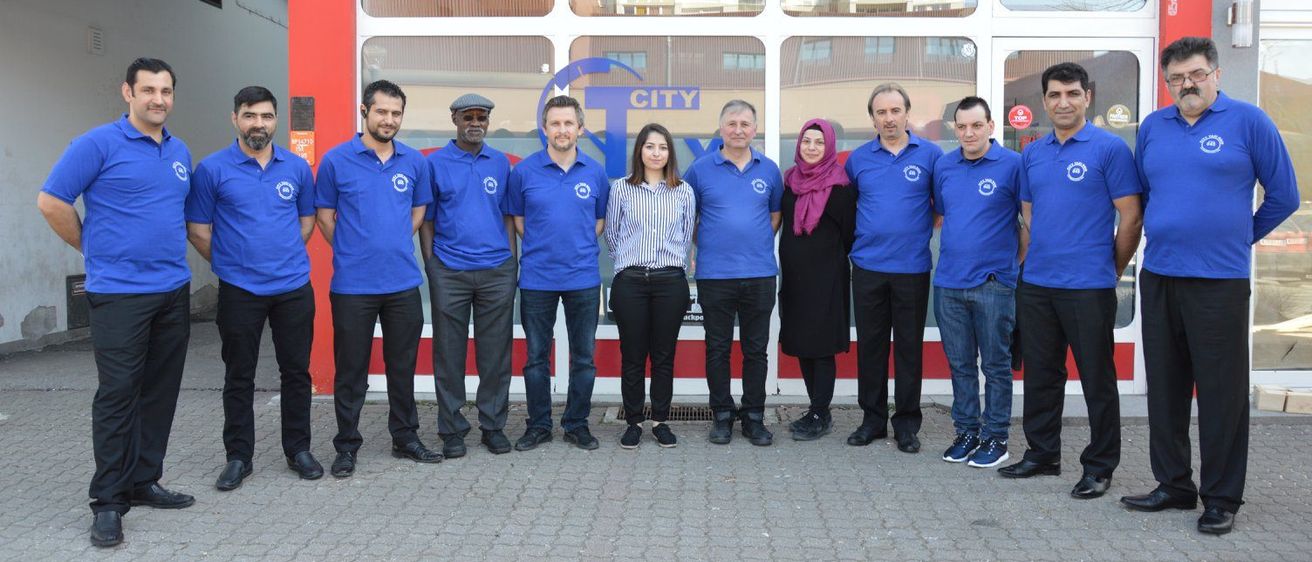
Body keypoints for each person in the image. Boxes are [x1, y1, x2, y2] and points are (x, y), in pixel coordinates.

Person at [1120, 37, 1299, 535]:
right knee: (1166, 388)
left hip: (1219, 281)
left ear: (1216, 74)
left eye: (1195, 74)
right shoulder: (1155, 127)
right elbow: (1149, 195)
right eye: (1175, 78)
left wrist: (1240, 238)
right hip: (1160, 276)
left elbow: (1284, 195)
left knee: (1220, 394)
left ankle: (1221, 497)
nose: (1186, 85)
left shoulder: (1249, 122)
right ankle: (1173, 484)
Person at [38, 57, 195, 548]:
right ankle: (108, 501)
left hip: (172, 290)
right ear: (127, 93)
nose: (158, 99)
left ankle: (144, 481)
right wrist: (90, 248)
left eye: (166, 91)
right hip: (120, 294)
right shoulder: (97, 144)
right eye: (148, 89)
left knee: (159, 393)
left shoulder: (179, 150)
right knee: (117, 396)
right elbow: (52, 201)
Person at [997, 63, 1143, 503]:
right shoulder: (1033, 153)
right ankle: (1043, 454)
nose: (1063, 102)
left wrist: (1110, 270)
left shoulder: (1110, 149)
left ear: (1087, 97)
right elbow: (1028, 212)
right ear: (1044, 101)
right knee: (1041, 375)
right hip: (1038, 282)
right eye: (1055, 94)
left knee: (1097, 378)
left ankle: (1099, 467)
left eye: (1072, 94)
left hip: (1088, 285)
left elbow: (1131, 216)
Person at [185, 86, 323, 491]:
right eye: (249, 116)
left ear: (275, 120)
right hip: (239, 290)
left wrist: (279, 258)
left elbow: (307, 222)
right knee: (239, 374)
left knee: (296, 372)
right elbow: (198, 230)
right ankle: (238, 457)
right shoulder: (211, 170)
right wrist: (233, 262)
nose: (257, 124)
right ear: (235, 119)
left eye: (265, 116)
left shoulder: (297, 168)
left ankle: (298, 449)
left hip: (293, 287)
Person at [315, 80, 442, 478]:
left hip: (402, 283)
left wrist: (392, 240)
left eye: (396, 113)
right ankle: (347, 446)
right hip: (353, 286)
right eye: (382, 112)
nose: (389, 120)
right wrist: (354, 248)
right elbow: (323, 216)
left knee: (401, 367)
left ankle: (405, 437)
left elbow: (419, 211)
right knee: (351, 370)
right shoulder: (336, 161)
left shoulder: (414, 162)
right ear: (364, 111)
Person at [844, 83, 944, 453]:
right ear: (872, 118)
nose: (888, 118)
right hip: (868, 267)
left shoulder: (931, 155)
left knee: (907, 348)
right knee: (870, 347)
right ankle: (872, 421)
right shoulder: (858, 159)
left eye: (895, 111)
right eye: (881, 112)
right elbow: (852, 205)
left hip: (912, 268)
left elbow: (940, 207)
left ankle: (906, 424)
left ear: (907, 113)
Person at [507, 95, 610, 452]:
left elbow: (599, 221)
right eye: (555, 123)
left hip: (583, 277)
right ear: (545, 128)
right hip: (537, 278)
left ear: (580, 129)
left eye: (569, 123)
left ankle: (576, 424)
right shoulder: (524, 172)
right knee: (536, 357)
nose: (562, 130)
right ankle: (538, 425)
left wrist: (576, 246)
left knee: (584, 357)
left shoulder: (595, 172)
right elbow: (519, 222)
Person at [418, 93, 517, 458]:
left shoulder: (500, 164)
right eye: (468, 117)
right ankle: (452, 430)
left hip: (495, 271)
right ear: (454, 119)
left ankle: (493, 426)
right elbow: (426, 221)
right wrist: (433, 266)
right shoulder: (435, 164)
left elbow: (508, 217)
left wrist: (511, 264)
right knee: (449, 354)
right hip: (450, 270)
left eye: (482, 117)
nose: (475, 123)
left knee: (495, 354)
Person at [931, 97, 1026, 468]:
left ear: (990, 126)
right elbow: (943, 212)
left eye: (976, 125)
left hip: (993, 284)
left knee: (996, 366)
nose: (968, 133)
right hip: (950, 284)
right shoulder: (944, 166)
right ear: (956, 129)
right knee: (961, 365)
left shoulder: (1012, 165)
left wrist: (1009, 267)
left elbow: (1027, 222)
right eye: (962, 126)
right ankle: (967, 432)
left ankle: (996, 437)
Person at [684, 99, 783, 447]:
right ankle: (722, 415)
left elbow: (774, 217)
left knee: (756, 350)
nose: (738, 130)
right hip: (715, 275)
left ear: (755, 130)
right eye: (732, 124)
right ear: (721, 128)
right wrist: (711, 243)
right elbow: (688, 218)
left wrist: (750, 243)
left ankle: (754, 417)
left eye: (745, 124)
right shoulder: (699, 170)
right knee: (718, 348)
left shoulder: (769, 170)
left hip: (759, 275)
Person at [604, 123, 695, 449]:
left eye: (663, 147)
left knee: (663, 355)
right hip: (631, 283)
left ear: (670, 153)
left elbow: (685, 239)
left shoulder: (683, 190)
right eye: (650, 147)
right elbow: (612, 236)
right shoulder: (621, 189)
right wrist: (631, 264)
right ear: (639, 151)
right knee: (632, 355)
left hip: (670, 282)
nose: (656, 153)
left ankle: (660, 420)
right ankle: (633, 421)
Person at [778, 118, 855, 441]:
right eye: (807, 141)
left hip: (827, 280)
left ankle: (821, 413)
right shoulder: (790, 183)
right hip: (796, 280)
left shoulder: (841, 187)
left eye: (819, 143)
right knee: (802, 345)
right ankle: (814, 408)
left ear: (830, 147)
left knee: (821, 348)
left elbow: (850, 235)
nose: (812, 148)